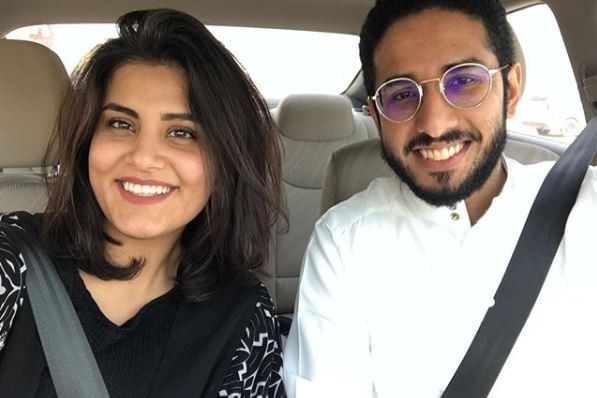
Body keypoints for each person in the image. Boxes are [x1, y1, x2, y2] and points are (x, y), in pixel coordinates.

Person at [284, 0, 597, 397]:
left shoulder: (588, 206)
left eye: (465, 81)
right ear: (377, 117)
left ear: (511, 89)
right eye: (400, 94)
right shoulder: (345, 241)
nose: (433, 124)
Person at [0, 9, 286, 397]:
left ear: (226, 159)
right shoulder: (11, 262)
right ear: (88, 140)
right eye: (121, 123)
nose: (144, 157)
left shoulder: (244, 316)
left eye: (182, 132)